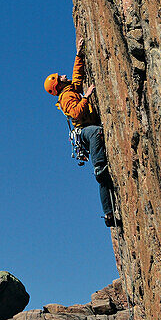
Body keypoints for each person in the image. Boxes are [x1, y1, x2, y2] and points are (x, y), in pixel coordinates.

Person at [43, 42, 119, 227]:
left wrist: (79, 55)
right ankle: (99, 167)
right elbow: (76, 113)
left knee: (103, 177)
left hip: (84, 130)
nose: (63, 75)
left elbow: (77, 75)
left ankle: (109, 213)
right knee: (96, 134)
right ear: (58, 85)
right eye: (59, 77)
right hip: (85, 132)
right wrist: (86, 97)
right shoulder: (66, 97)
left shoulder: (69, 90)